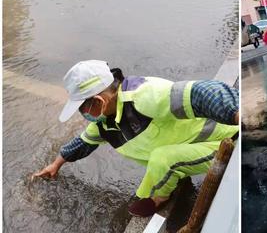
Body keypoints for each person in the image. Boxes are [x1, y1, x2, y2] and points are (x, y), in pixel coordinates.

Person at [32, 60, 238, 217]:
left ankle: (162, 197)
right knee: (157, 164)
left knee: (162, 159)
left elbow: (202, 92)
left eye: (82, 108)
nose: (82, 114)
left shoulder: (144, 96)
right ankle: (175, 177)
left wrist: (237, 113)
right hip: (189, 148)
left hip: (224, 143)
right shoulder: (105, 123)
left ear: (98, 99)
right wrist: (55, 165)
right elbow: (83, 143)